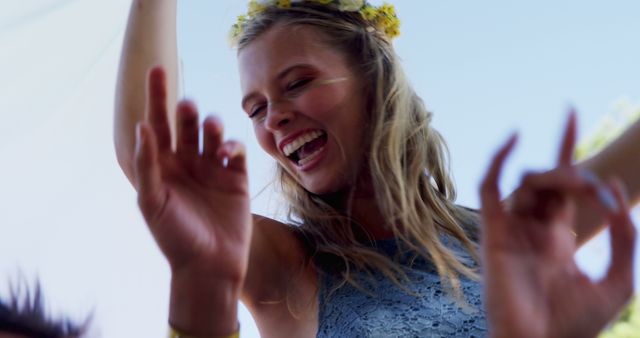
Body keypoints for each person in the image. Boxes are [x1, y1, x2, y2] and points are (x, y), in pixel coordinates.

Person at [114, 1, 638, 337]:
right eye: (255, 108)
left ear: (374, 81)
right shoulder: (288, 269)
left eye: (297, 83)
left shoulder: (508, 235)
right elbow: (155, 159)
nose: (273, 117)